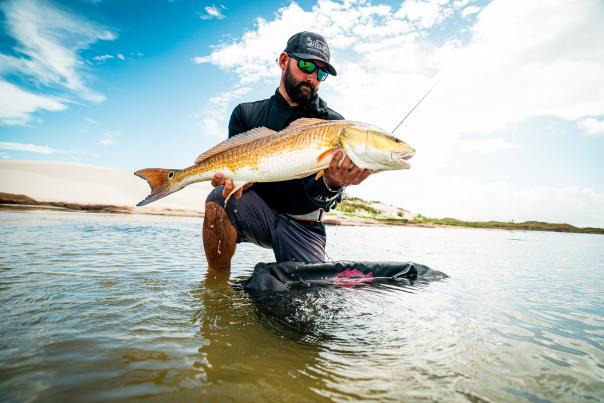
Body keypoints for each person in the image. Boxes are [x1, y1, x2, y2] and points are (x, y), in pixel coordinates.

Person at [203, 31, 372, 269]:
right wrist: (238, 181)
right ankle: (216, 289)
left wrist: (333, 184)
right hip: (257, 213)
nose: (312, 77)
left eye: (321, 72)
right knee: (219, 197)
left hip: (304, 225)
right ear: (284, 61)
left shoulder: (333, 124)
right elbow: (239, 174)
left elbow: (328, 201)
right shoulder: (246, 114)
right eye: (305, 65)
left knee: (304, 300)